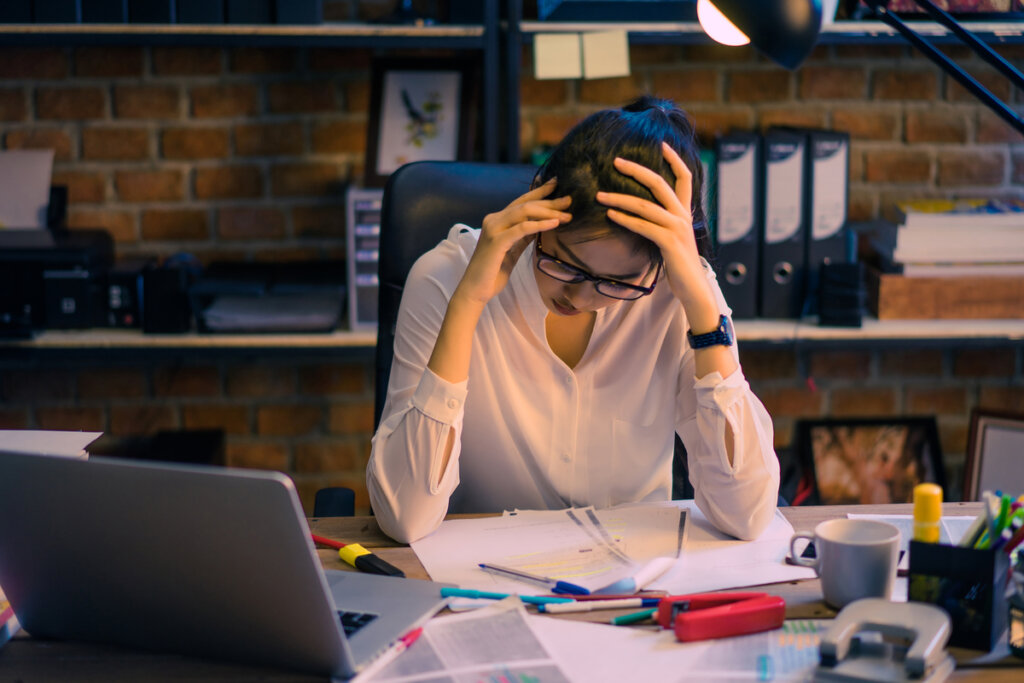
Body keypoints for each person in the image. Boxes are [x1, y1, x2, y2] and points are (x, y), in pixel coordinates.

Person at [367, 95, 780, 544]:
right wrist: (468, 302)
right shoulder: (446, 279)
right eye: (565, 263)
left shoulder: (680, 296)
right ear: (538, 205)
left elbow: (747, 515)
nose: (582, 297)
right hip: (483, 582)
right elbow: (404, 517)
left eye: (619, 283)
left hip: (632, 582)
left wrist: (704, 312)